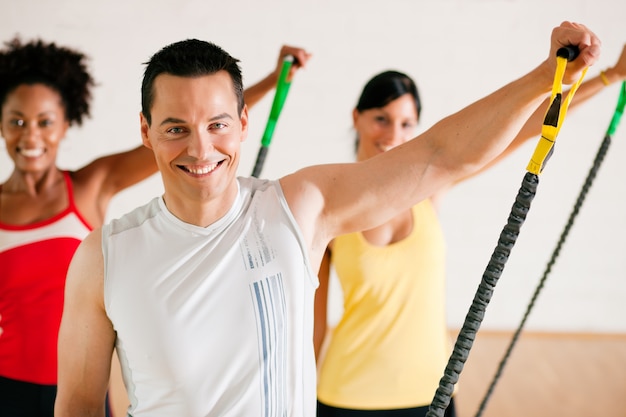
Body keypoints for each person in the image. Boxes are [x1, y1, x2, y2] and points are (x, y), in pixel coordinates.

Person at [53, 21, 600, 417]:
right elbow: (77, 402)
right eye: (176, 128)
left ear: (244, 124)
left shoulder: (299, 208)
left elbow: (441, 155)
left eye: (218, 124)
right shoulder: (103, 257)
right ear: (145, 130)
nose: (201, 148)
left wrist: (544, 77)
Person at [0, 35, 311, 417]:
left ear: (66, 125)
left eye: (44, 122)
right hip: (7, 386)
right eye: (16, 121)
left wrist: (274, 81)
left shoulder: (90, 186)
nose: (31, 135)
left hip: (85, 388)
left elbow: (184, 134)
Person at [313, 42, 626, 417]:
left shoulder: (430, 187)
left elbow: (528, 127)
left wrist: (612, 75)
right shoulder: (331, 204)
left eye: (406, 123)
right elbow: (312, 324)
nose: (393, 133)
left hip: (432, 388)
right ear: (357, 117)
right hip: (347, 394)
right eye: (381, 118)